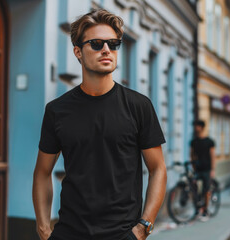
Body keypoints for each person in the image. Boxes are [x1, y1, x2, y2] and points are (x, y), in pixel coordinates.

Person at [32, 9, 167, 240]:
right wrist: (44, 229)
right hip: (70, 233)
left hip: (123, 235)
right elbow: (42, 173)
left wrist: (144, 226)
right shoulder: (57, 110)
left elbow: (158, 169)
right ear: (78, 52)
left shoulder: (139, 106)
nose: (107, 50)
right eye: (96, 44)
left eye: (113, 44)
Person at [190, 120, 216, 220]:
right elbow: (192, 155)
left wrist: (213, 169)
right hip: (198, 169)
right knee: (194, 188)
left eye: (197, 126)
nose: (195, 128)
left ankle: (205, 209)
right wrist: (193, 166)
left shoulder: (209, 141)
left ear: (201, 127)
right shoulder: (193, 142)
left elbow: (212, 156)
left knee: (206, 190)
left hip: (207, 169)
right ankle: (197, 208)